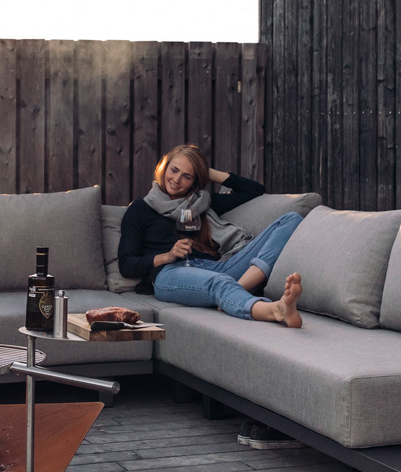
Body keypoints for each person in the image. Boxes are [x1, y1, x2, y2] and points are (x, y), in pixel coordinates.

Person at [117, 143, 304, 449]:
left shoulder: (203, 204)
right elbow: (126, 264)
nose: (177, 180)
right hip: (170, 274)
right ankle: (272, 310)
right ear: (163, 168)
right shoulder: (140, 209)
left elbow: (253, 189)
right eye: (173, 170)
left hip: (218, 266)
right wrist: (165, 256)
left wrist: (207, 172)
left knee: (291, 220)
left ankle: (238, 292)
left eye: (187, 176)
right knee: (218, 282)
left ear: (196, 182)